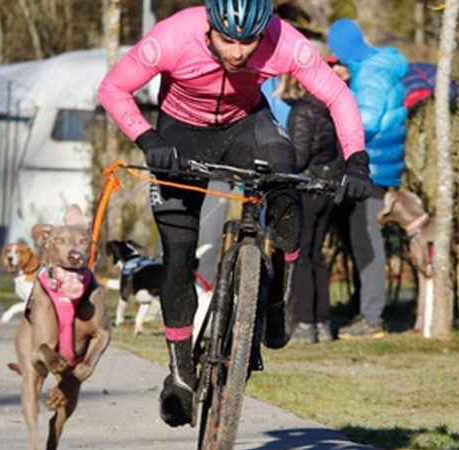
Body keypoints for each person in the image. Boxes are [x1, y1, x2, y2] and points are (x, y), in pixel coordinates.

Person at [98, 1, 372, 427]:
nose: (239, 52)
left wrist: (357, 159)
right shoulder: (173, 35)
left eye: (249, 41)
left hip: (247, 124)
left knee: (286, 178)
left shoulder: (283, 39)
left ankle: (279, 296)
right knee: (178, 254)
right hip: (179, 132)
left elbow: (337, 95)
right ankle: (182, 373)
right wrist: (147, 139)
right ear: (209, 27)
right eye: (228, 39)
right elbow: (112, 88)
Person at [326, 18, 409, 339]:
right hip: (379, 164)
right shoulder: (374, 67)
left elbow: (366, 122)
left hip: (371, 167)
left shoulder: (371, 73)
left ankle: (372, 317)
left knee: (366, 242)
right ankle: (364, 309)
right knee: (358, 239)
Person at [283, 55, 351, 344]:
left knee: (301, 256)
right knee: (317, 256)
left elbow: (298, 158)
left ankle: (304, 323)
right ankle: (323, 322)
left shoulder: (303, 111)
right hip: (328, 186)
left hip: (307, 188)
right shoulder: (332, 108)